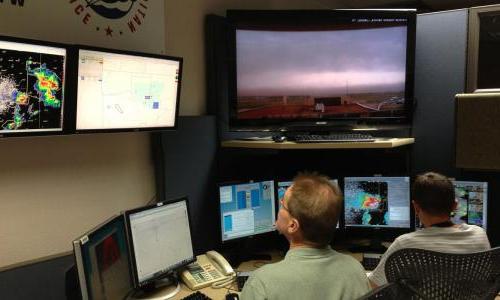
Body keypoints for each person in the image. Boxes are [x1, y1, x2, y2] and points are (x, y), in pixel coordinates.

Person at [241, 172, 370, 300]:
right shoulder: (355, 270)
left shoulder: (261, 282)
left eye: (282, 204)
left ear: (292, 226)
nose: (279, 207)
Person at [368, 172, 491, 287]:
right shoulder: (479, 235)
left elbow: (373, 286)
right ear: (455, 205)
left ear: (416, 207)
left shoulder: (405, 244)